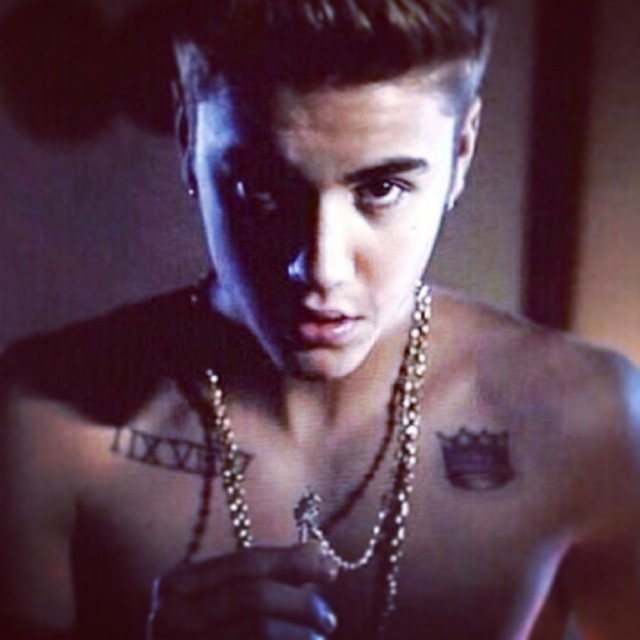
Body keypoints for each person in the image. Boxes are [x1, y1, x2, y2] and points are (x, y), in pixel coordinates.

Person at [1, 0, 640, 638]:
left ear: (462, 152)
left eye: (381, 189)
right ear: (189, 136)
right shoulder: (45, 421)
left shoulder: (585, 418)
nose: (319, 267)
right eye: (262, 187)